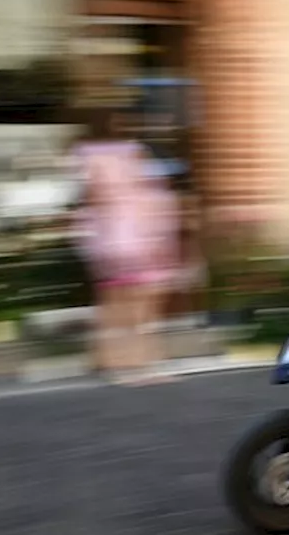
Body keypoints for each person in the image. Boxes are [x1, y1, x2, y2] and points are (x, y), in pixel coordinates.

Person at [71, 108, 181, 385]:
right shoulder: (123, 156)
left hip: (119, 240)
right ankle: (135, 365)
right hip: (128, 241)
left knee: (120, 305)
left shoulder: (91, 156)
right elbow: (106, 196)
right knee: (134, 306)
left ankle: (117, 362)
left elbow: (94, 197)